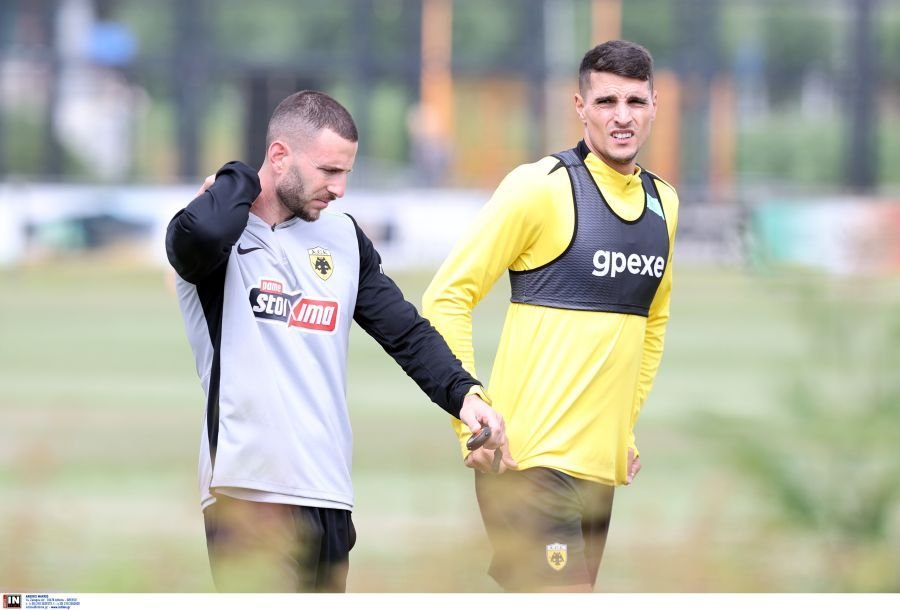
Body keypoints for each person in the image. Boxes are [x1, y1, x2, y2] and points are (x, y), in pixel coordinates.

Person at [165, 90, 514, 593]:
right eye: (329, 171)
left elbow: (406, 333)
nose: (340, 188)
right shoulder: (220, 240)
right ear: (279, 155)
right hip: (247, 491)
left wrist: (466, 396)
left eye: (346, 172)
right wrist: (236, 177)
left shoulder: (344, 239)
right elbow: (197, 233)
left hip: (328, 494)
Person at [422, 40, 679, 592]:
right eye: (606, 101)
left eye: (635, 101)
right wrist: (471, 421)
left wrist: (622, 429)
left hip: (598, 472)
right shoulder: (539, 187)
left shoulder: (665, 203)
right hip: (526, 463)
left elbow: (652, 324)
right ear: (580, 107)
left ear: (655, 105)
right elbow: (447, 296)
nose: (622, 116)